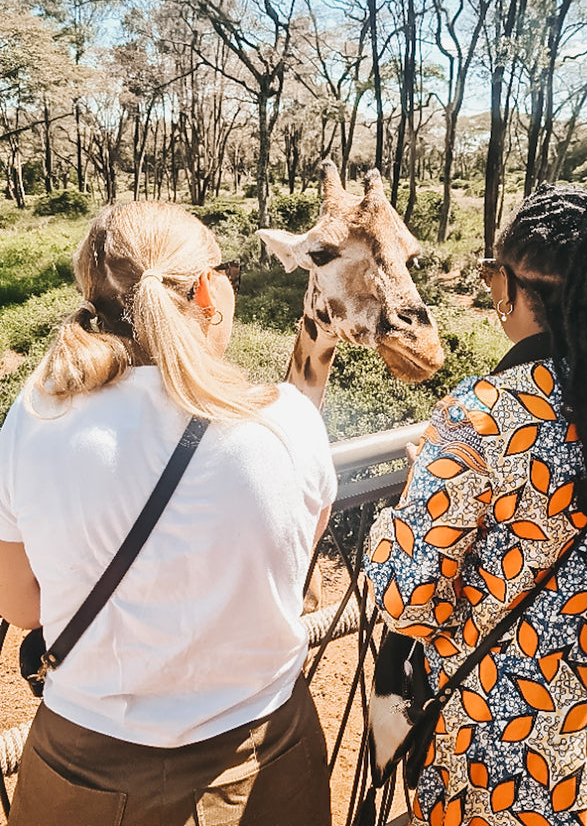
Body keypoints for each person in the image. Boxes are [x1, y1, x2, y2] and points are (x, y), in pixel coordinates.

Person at [363, 182, 587, 826]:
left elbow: (408, 601)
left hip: (509, 741)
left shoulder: (482, 417)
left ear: (515, 292)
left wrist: (397, 519)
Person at [0, 201, 336, 826]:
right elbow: (296, 579)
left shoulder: (35, 417)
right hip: (265, 765)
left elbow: (21, 606)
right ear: (210, 289)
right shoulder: (288, 420)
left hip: (85, 771)